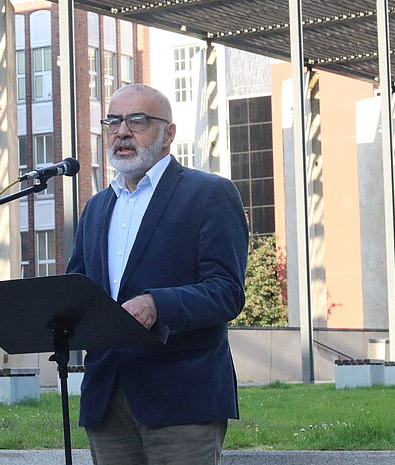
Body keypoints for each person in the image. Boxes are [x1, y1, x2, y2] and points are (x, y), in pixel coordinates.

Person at [66, 84, 249, 465]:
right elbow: (79, 290)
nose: (122, 132)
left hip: (182, 397)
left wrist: (157, 303)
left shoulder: (209, 194)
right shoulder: (97, 207)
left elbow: (226, 291)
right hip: (106, 397)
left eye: (138, 120)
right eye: (113, 121)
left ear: (168, 134)